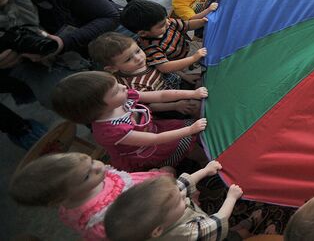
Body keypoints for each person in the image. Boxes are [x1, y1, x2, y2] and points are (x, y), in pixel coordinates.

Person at [0, 0, 119, 128]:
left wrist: (64, 42)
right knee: (75, 100)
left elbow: (111, 16)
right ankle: (113, 131)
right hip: (38, 68)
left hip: (90, 39)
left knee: (126, 56)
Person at [51, 71, 208, 171]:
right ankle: (205, 165)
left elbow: (160, 95)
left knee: (191, 136)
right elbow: (155, 140)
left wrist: (192, 93)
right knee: (189, 145)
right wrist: (190, 130)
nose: (123, 86)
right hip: (149, 149)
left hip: (156, 130)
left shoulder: (124, 95)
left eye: (117, 83)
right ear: (99, 109)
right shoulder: (110, 131)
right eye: (115, 90)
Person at [9, 152, 169, 241]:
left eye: (91, 161)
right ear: (59, 199)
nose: (99, 166)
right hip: (152, 213)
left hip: (145, 187)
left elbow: (123, 180)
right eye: (86, 176)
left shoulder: (90, 183)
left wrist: (153, 176)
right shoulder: (98, 220)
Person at [104, 160, 242, 241]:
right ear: (158, 230)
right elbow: (216, 222)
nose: (183, 195)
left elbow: (180, 185)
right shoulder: (184, 234)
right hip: (207, 232)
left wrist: (205, 170)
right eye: (179, 201)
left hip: (195, 221)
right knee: (233, 236)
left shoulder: (161, 211)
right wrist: (231, 197)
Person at [89, 32, 201, 117]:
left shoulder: (146, 57)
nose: (138, 58)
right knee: (196, 107)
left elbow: (165, 67)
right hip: (169, 105)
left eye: (137, 51)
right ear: (112, 68)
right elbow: (151, 106)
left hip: (177, 85)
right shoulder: (133, 86)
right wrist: (176, 106)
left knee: (203, 81)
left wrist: (185, 76)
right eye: (128, 59)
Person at [120, 0, 207, 76]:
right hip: (182, 65)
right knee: (204, 76)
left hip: (191, 47)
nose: (168, 23)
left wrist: (202, 21)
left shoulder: (166, 22)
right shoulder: (150, 47)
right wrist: (193, 58)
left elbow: (187, 25)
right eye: (162, 25)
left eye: (166, 18)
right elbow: (164, 67)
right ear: (143, 33)